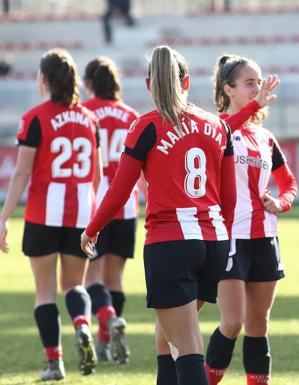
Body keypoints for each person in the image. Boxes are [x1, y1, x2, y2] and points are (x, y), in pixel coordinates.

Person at [80, 45, 236, 385]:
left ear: (150, 85)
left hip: (171, 244)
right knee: (169, 333)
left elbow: (120, 190)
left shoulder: (146, 126)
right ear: (187, 82)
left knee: (187, 343)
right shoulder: (218, 126)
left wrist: (92, 229)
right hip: (213, 242)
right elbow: (229, 198)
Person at [0, 48, 100, 380]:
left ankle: (54, 363)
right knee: (74, 285)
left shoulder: (34, 118)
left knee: (45, 291)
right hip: (81, 213)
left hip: (44, 213)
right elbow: (97, 176)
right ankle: (83, 325)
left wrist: (3, 219)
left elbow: (22, 173)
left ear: (44, 79)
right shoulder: (90, 119)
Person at [204, 55, 297, 385]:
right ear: (228, 89)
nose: (258, 88)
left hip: (265, 238)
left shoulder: (265, 137)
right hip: (229, 238)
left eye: (259, 82)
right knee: (232, 322)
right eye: (249, 83)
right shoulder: (216, 128)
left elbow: (289, 184)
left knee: (259, 323)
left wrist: (281, 203)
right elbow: (229, 128)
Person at [82, 56, 139, 364]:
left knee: (91, 278)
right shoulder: (131, 115)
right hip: (127, 205)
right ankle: (107, 341)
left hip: (95, 205)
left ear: (89, 84)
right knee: (114, 280)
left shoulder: (84, 113)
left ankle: (107, 319)